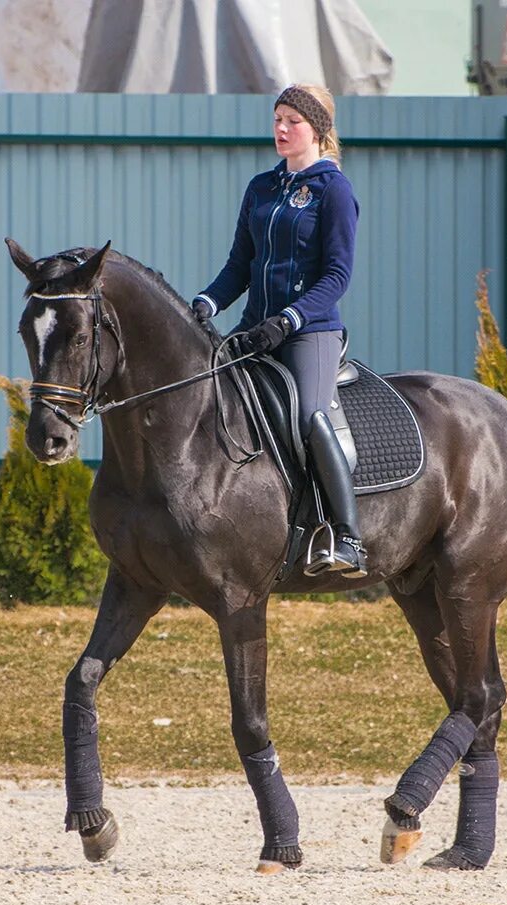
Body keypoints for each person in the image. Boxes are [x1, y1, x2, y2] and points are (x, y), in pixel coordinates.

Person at [192, 84, 367, 578]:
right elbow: (239, 266)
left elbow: (337, 276)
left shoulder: (334, 190)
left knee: (310, 416)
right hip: (254, 330)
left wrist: (289, 319)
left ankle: (347, 537)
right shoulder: (262, 188)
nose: (282, 129)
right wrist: (206, 302)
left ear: (318, 129)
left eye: (292, 120)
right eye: (277, 120)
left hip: (309, 332)